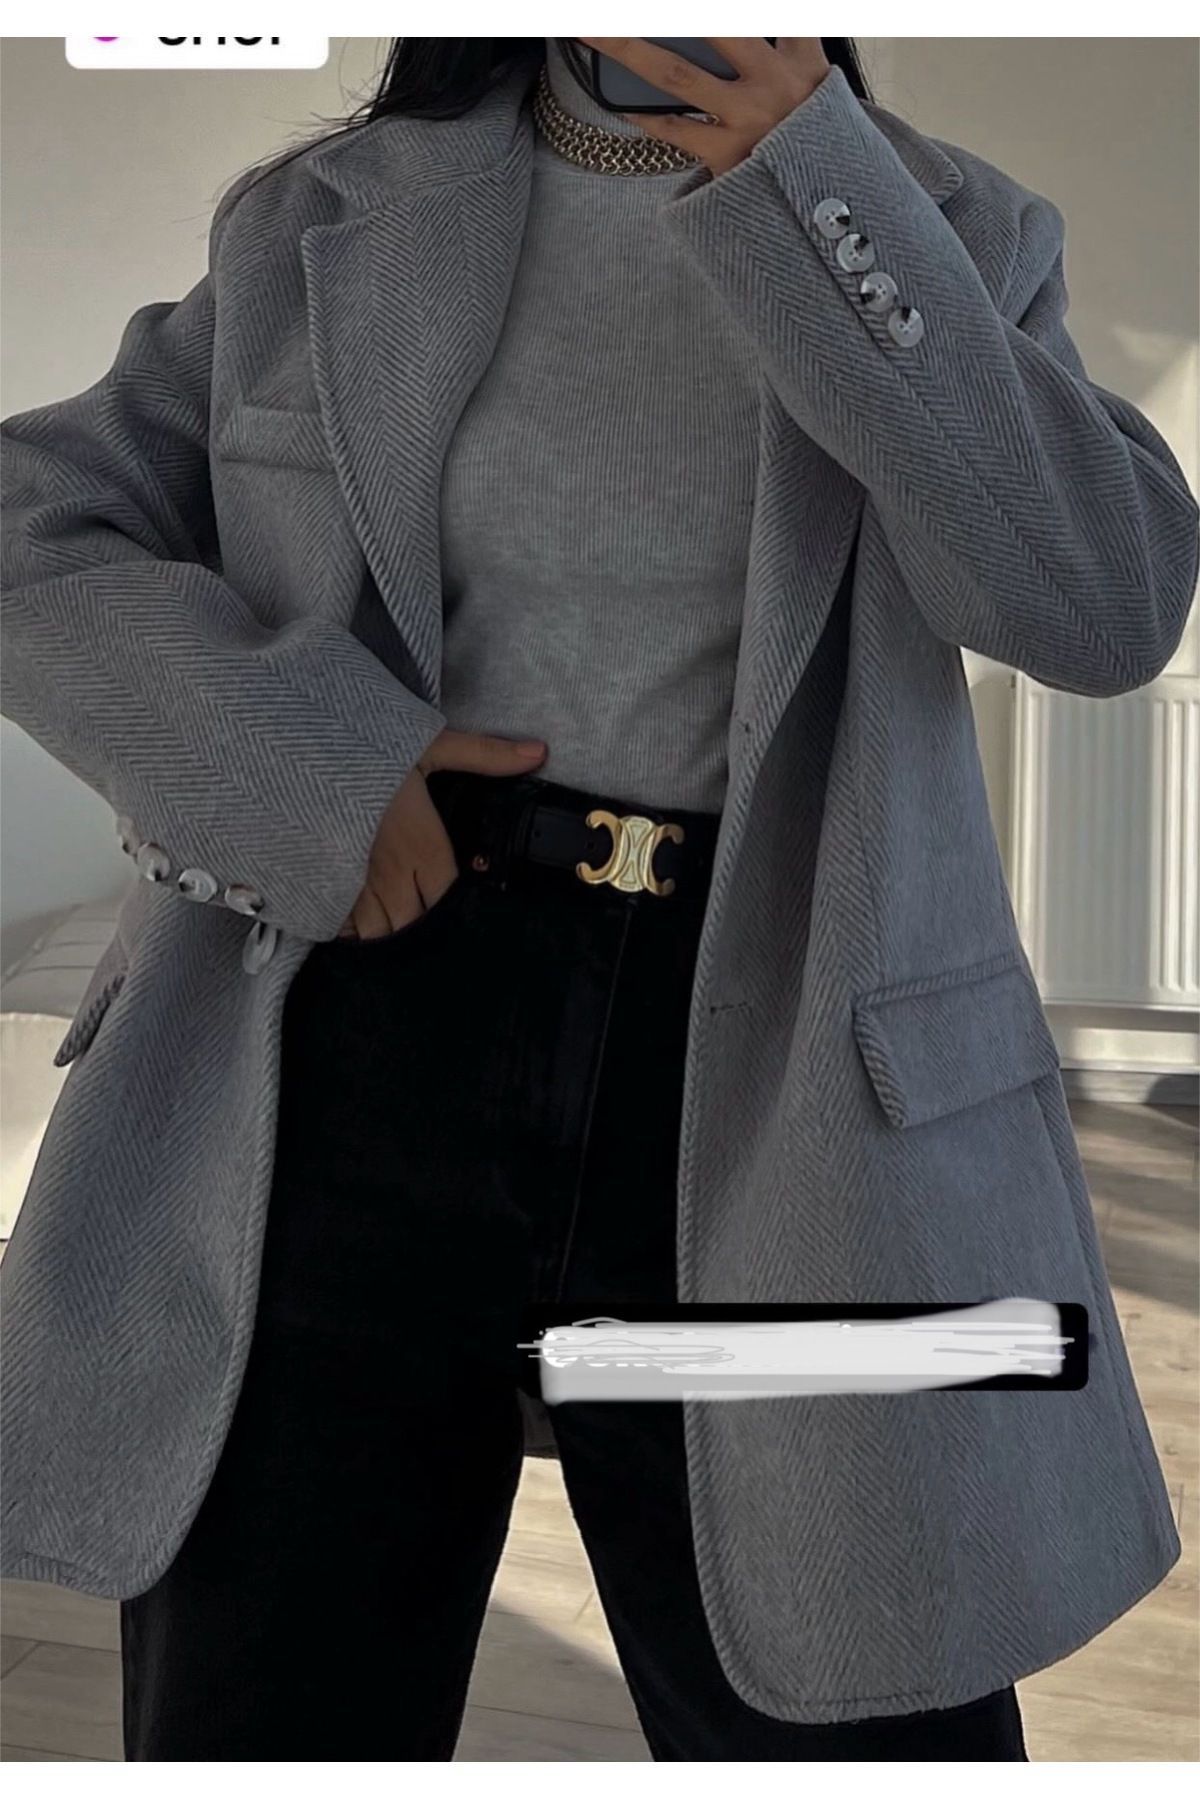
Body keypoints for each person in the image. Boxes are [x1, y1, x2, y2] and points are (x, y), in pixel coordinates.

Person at [2, 36, 1196, 1763]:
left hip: (780, 1084)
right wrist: (309, 765)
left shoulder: (944, 228)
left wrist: (815, 180)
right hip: (347, 1040)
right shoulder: (322, 219)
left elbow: (1099, 608)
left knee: (849, 1709)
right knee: (275, 1716)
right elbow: (32, 524)